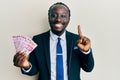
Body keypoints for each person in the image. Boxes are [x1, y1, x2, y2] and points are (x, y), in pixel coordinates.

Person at [13, 2, 94, 80]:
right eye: (54, 15)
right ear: (49, 18)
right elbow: (34, 70)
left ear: (69, 19)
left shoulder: (77, 40)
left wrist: (86, 51)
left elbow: (88, 68)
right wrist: (26, 65)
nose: (58, 19)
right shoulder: (38, 40)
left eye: (63, 16)